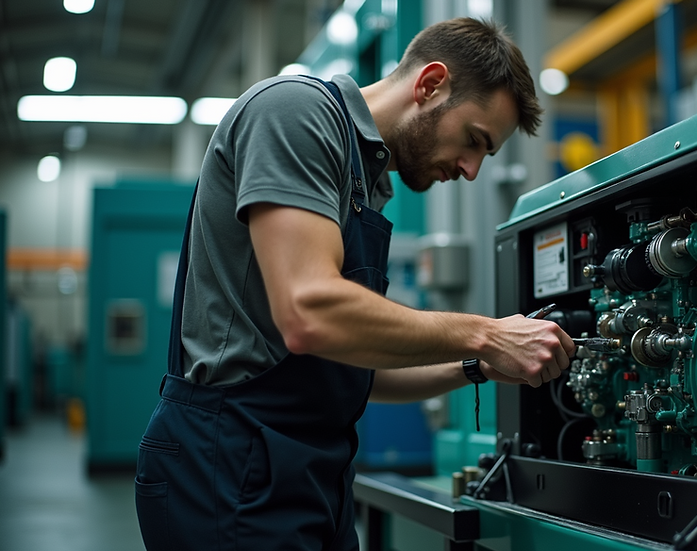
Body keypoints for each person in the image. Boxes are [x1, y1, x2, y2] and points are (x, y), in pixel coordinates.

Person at [134, 17, 575, 551]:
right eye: (474, 141)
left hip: (308, 473)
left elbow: (353, 367)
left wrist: (476, 367)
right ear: (431, 84)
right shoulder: (295, 112)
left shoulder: (370, 182)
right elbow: (310, 313)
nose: (471, 169)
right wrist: (486, 334)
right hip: (227, 462)